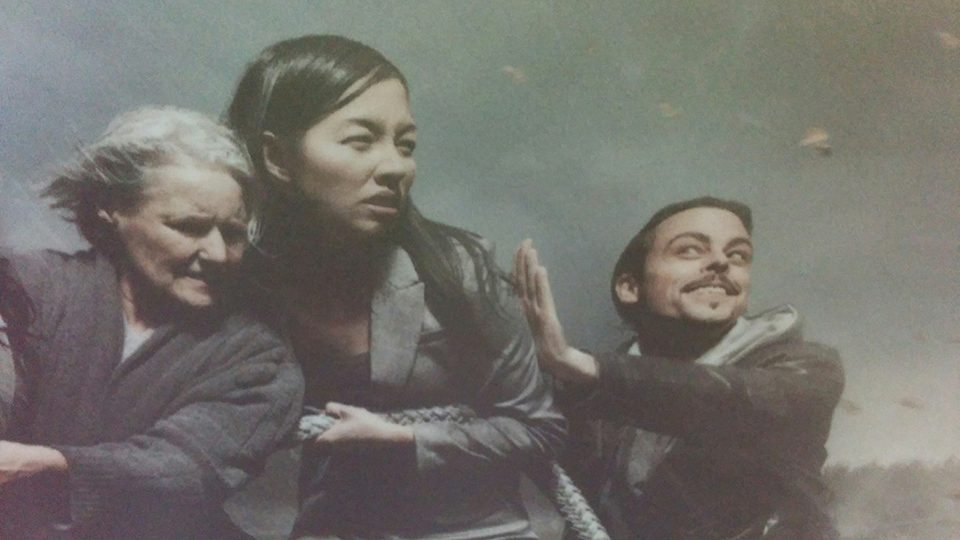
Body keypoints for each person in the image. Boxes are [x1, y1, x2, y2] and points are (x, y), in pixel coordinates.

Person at [224, 35, 565, 540]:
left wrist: (406, 440)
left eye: (405, 145)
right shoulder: (230, 279)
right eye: (360, 141)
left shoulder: (457, 267)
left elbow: (541, 428)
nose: (396, 167)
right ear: (277, 158)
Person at [0, 106, 304, 540]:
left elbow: (185, 469)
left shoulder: (259, 359)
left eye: (233, 233)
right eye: (189, 226)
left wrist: (44, 465)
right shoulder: (27, 287)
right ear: (111, 209)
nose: (218, 254)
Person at [513, 197, 844, 540]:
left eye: (738, 255)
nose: (721, 262)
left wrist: (581, 366)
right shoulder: (588, 401)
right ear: (630, 287)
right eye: (689, 250)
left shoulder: (807, 370)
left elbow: (725, 398)